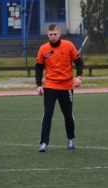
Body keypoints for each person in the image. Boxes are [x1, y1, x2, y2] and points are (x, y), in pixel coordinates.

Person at [36, 23, 83, 152]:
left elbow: (79, 62)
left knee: (68, 114)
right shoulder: (43, 49)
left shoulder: (68, 45)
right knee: (48, 113)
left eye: (55, 34)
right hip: (50, 85)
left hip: (66, 86)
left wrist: (78, 77)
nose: (53, 37)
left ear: (59, 34)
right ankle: (44, 143)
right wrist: (39, 85)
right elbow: (39, 67)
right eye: (50, 35)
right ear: (48, 35)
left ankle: (71, 139)